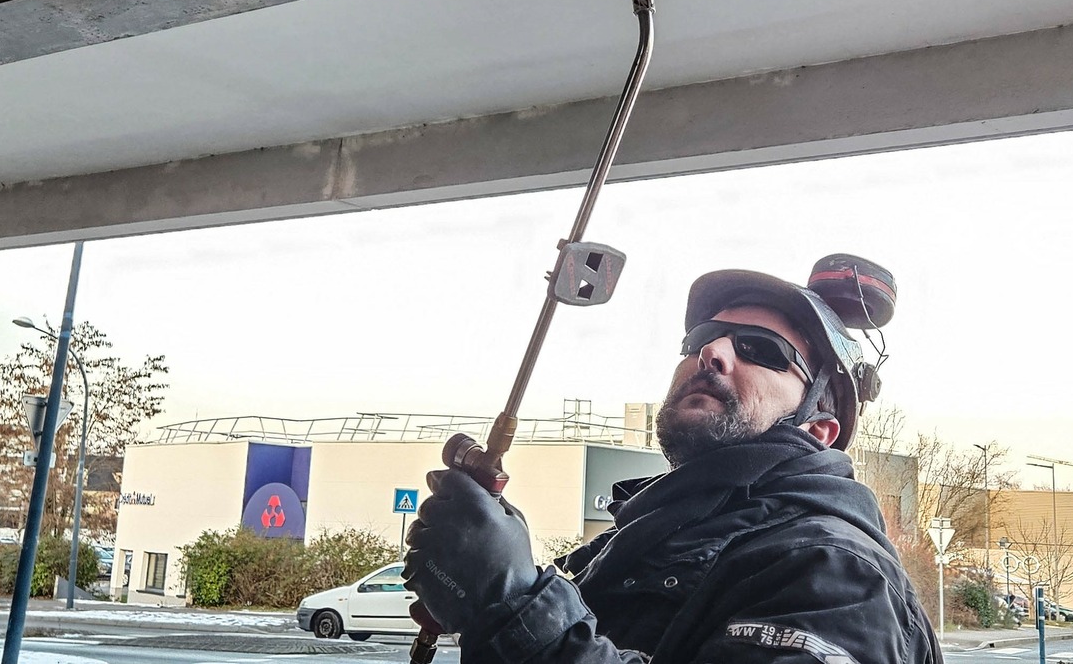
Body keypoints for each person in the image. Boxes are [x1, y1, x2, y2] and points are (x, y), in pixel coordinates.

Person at [403, 255, 943, 664]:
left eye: (763, 350)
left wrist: (517, 605)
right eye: (704, 337)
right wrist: (480, 583)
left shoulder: (835, 569)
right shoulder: (636, 543)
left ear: (819, 430)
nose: (712, 352)